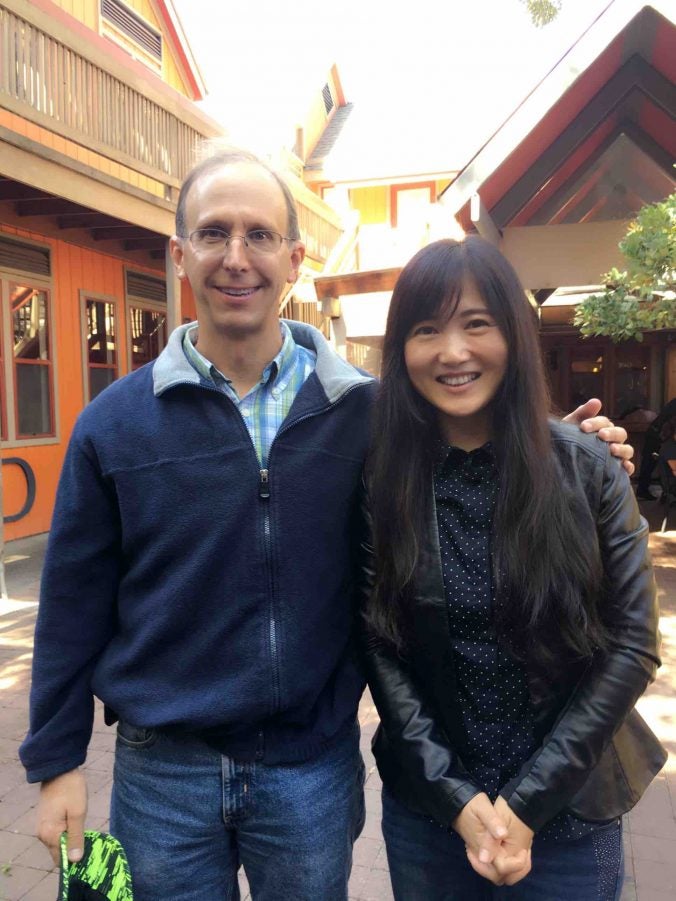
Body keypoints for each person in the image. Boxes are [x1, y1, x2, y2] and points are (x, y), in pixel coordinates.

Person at [20, 150, 634, 901]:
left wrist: (576, 452)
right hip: (164, 770)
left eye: (259, 235)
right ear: (180, 255)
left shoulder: (368, 414)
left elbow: (481, 439)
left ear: (294, 258)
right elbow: (72, 603)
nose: (236, 257)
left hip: (306, 768)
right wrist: (57, 761)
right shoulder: (112, 426)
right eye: (213, 233)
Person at [360, 237, 665, 901]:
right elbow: (380, 642)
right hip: (431, 812)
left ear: (515, 336)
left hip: (569, 809)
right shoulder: (384, 479)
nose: (453, 352)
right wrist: (457, 797)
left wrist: (525, 806)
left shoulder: (588, 468)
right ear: (401, 348)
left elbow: (633, 642)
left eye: (477, 323)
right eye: (426, 329)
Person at [635, 397, 676, 499]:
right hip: (657, 434)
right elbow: (669, 424)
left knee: (649, 463)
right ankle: (643, 490)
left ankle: (644, 490)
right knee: (649, 463)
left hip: (656, 433)